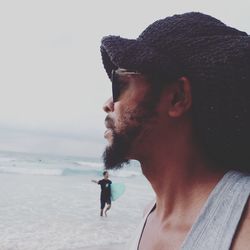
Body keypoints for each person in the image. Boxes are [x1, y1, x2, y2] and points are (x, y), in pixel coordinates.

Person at [100, 12, 250, 250]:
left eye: (122, 84)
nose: (108, 103)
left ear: (177, 98)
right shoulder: (151, 214)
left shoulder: (243, 231)